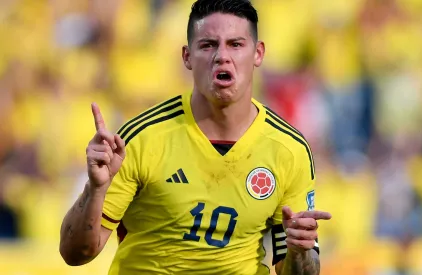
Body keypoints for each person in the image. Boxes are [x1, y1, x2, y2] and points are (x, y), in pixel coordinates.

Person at [59, 0, 331, 274]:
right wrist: (95, 190)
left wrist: (300, 250)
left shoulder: (288, 149)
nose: (222, 56)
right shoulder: (142, 138)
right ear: (187, 57)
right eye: (208, 45)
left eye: (235, 44)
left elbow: (299, 272)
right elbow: (75, 254)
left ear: (258, 54)